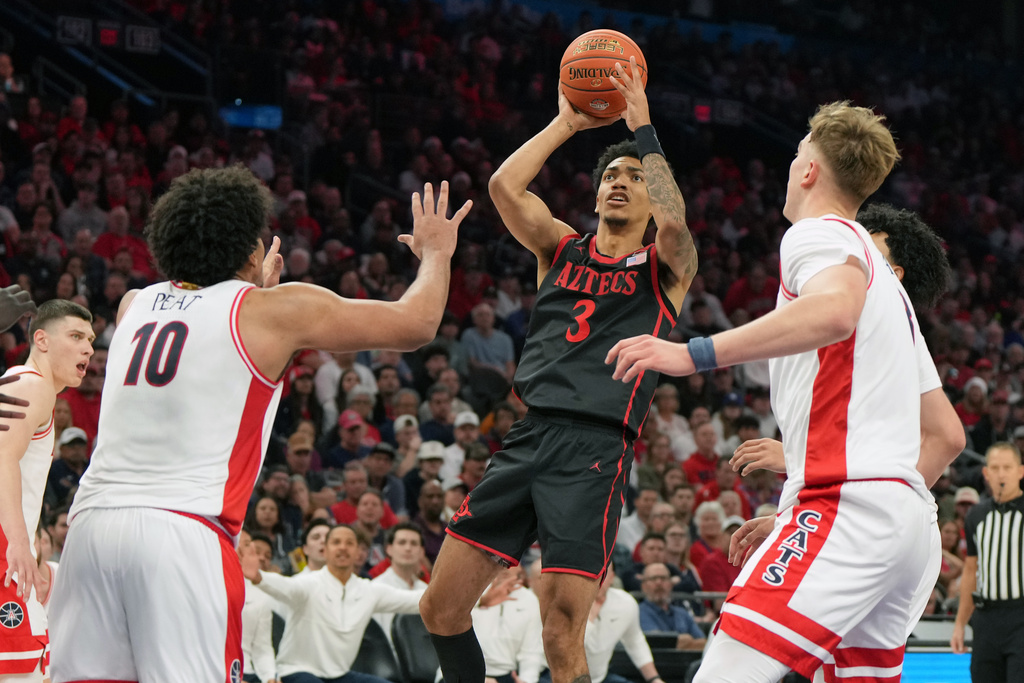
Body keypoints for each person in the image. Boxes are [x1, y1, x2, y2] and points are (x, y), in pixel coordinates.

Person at [48, 168, 471, 683]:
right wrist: (436, 252)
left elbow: (206, 326)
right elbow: (417, 322)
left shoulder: (133, 304)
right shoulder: (277, 311)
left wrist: (253, 293)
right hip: (182, 532)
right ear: (249, 250)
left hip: (91, 527)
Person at [607, 102, 966, 682]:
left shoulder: (816, 234)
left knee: (724, 672)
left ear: (808, 172)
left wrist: (690, 353)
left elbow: (835, 312)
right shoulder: (896, 302)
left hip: (846, 508)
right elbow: (949, 435)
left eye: (797, 154)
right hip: (904, 523)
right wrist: (813, 509)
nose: (792, 164)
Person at [420, 61, 696, 683]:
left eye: (634, 178)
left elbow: (678, 223)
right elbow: (502, 187)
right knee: (439, 608)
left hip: (595, 449)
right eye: (611, 177)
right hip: (529, 435)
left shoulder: (665, 267)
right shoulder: (560, 248)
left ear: (653, 196)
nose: (621, 184)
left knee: (559, 629)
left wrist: (643, 127)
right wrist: (567, 123)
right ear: (596, 195)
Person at [0, 300, 94, 679]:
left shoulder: (21, 380)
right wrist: (19, 546)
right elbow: (3, 459)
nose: (87, 347)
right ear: (41, 339)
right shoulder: (31, 384)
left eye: (89, 339)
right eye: (75, 336)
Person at [244, 524, 423, 683]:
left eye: (349, 543)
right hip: (296, 672)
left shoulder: (369, 591)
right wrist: (259, 576)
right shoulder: (310, 583)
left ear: (359, 552)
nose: (343, 547)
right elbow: (286, 586)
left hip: (340, 675)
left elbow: (416, 600)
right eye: (336, 542)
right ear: (326, 550)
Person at [951, 442, 1024, 681]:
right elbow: (971, 570)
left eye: (1007, 467)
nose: (1001, 473)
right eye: (995, 467)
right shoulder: (976, 515)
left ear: (1020, 471)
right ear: (986, 473)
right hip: (986, 619)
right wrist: (960, 624)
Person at [582, 565, 667, 683]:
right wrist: (590, 617)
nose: (599, 578)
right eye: (594, 571)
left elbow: (635, 642)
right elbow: (567, 650)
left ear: (612, 577)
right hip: (555, 675)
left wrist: (654, 679)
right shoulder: (566, 601)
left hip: (599, 677)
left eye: (604, 573)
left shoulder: (626, 603)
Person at [471, 566, 546, 683]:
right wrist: (480, 603)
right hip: (464, 672)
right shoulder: (471, 590)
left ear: (520, 568)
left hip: (507, 675)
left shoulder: (530, 601)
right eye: (498, 560)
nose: (504, 567)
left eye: (509, 561)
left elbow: (531, 651)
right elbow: (447, 621)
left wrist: (527, 680)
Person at [372, 522, 428, 651]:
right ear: (389, 549)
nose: (408, 548)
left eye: (414, 543)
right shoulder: (376, 587)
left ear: (421, 552)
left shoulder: (426, 590)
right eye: (402, 542)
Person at [238, 530, 280, 683]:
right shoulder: (209, 586)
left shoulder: (261, 596)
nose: (253, 549)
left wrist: (270, 677)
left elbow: (263, 648)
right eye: (247, 544)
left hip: (245, 672)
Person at [637, 563, 706, 651]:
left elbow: (704, 643)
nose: (659, 583)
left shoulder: (682, 613)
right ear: (643, 586)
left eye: (663, 578)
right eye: (653, 579)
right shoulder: (639, 612)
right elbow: (658, 644)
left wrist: (682, 643)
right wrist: (688, 641)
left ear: (670, 584)